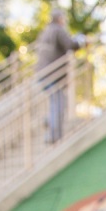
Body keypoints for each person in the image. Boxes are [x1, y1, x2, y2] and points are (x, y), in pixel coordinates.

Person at [34, 8, 86, 142]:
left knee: (54, 102)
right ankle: (53, 133)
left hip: (42, 73)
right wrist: (81, 41)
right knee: (59, 103)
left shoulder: (45, 32)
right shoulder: (58, 30)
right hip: (53, 73)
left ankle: (50, 122)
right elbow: (70, 44)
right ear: (59, 19)